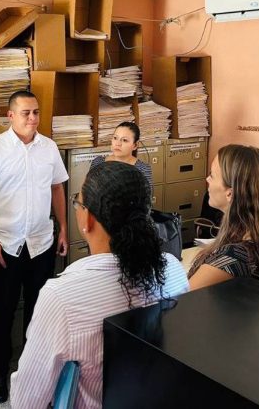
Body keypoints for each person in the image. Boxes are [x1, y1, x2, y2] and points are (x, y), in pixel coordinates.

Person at [10, 161, 189, 409]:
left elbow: (28, 400)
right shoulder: (172, 269)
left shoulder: (61, 297)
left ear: (89, 219)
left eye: (78, 203)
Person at [0, 90, 69, 403]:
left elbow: (57, 188)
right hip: (5, 245)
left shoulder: (49, 147)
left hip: (41, 242)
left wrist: (64, 228)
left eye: (36, 112)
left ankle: (32, 369)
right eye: (26, 113)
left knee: (39, 311)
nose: (33, 118)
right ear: (10, 115)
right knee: (4, 309)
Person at [188, 144, 259, 290]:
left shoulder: (232, 257)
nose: (207, 179)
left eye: (212, 175)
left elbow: (180, 300)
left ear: (230, 193)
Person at [89, 121, 152, 186]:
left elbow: (146, 192)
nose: (118, 144)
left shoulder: (142, 169)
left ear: (135, 145)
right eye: (115, 138)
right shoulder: (98, 162)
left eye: (124, 140)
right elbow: (87, 190)